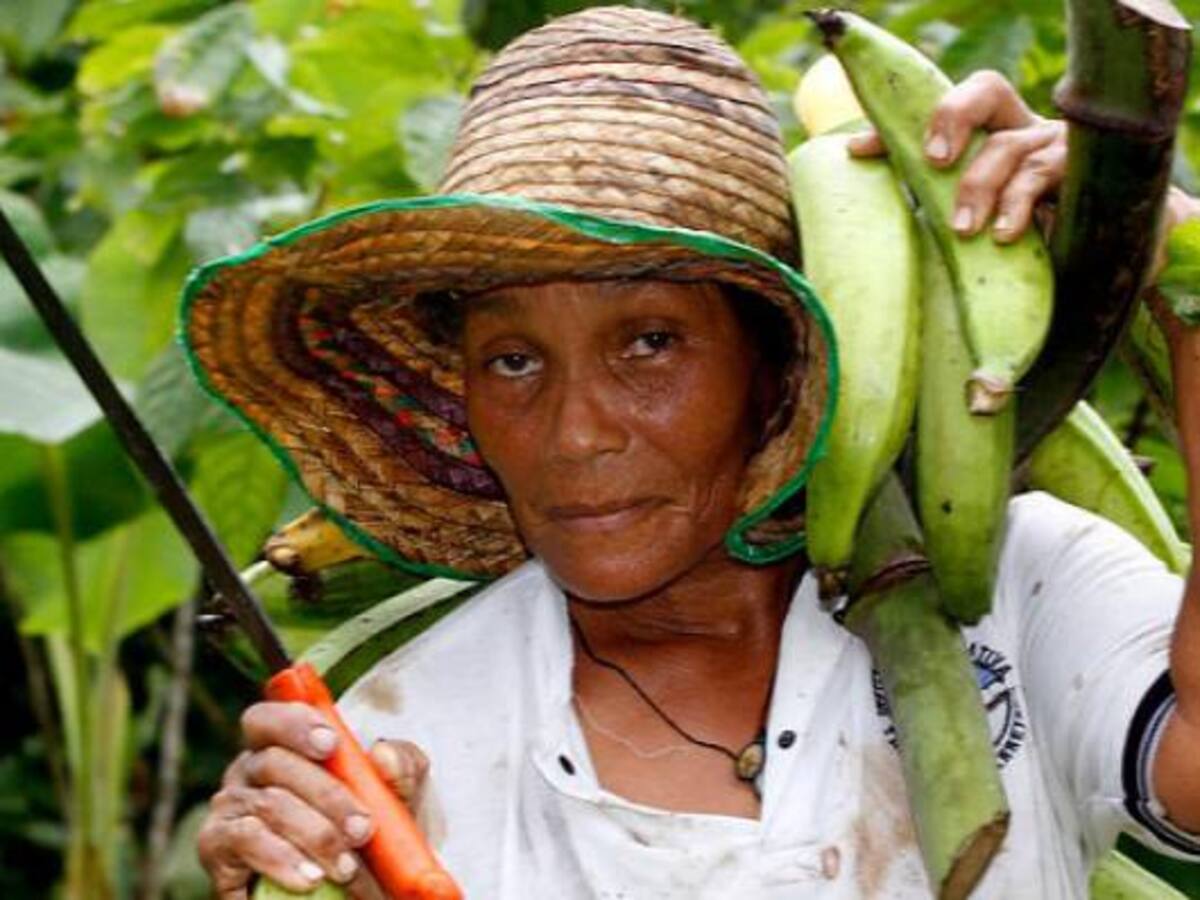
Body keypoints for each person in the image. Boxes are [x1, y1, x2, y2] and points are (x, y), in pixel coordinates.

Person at [188, 6, 1200, 898]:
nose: (576, 434)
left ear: (779, 368)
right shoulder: (402, 745)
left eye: (649, 344)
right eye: (512, 361)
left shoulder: (1014, 596)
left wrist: (1185, 264)